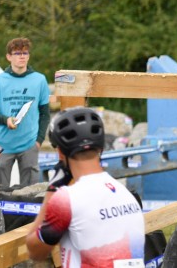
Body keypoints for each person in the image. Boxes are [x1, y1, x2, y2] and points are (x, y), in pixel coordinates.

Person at [26, 107, 145, 266]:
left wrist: (51, 192)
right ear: (101, 148)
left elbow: (34, 250)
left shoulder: (67, 199)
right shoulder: (127, 196)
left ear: (61, 153)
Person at [0, 37, 51, 187]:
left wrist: (39, 141)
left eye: (25, 53)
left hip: (29, 145)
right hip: (2, 145)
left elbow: (45, 114)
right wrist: (5, 120)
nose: (22, 56)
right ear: (8, 57)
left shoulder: (39, 80)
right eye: (17, 53)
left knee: (30, 194)